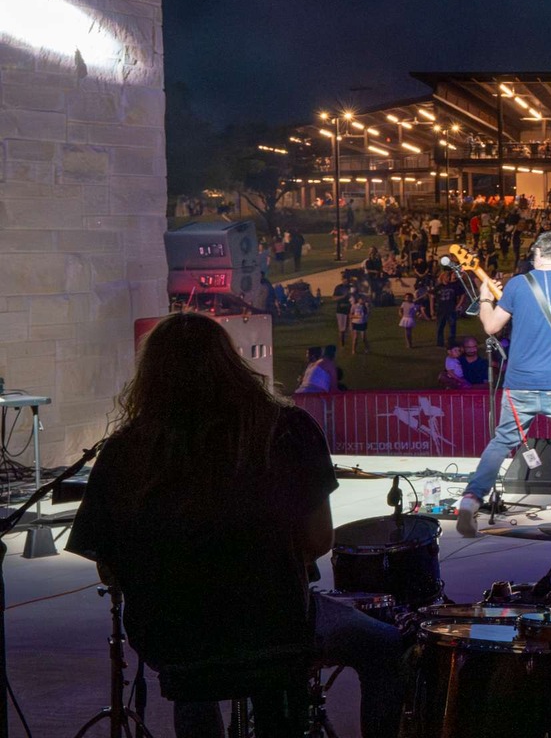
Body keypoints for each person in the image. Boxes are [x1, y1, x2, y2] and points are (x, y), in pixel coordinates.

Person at [68, 313, 404, 738]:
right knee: (386, 646)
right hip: (273, 628)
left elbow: (110, 564)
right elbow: (318, 539)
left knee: (194, 676)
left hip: (174, 640)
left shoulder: (123, 452)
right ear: (233, 364)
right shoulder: (286, 430)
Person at [455, 231, 551, 535]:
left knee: (501, 443)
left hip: (519, 384)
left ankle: (471, 500)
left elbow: (491, 326)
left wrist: (484, 297)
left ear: (536, 252)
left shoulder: (518, 284)